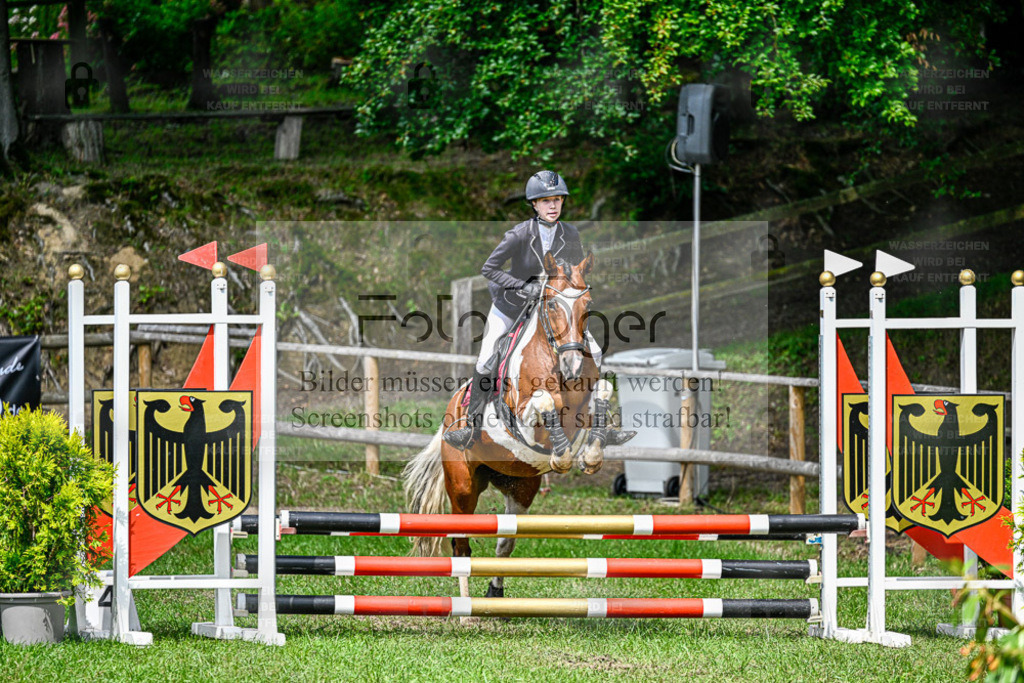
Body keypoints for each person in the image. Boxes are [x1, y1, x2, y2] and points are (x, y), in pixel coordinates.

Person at [444, 170, 608, 450]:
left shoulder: (570, 233)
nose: (553, 206)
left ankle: (601, 423)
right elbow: (489, 269)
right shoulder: (519, 234)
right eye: (546, 201)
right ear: (534, 204)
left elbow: (574, 271)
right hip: (512, 305)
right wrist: (523, 286)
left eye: (557, 200)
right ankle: (470, 427)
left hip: (553, 307)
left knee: (595, 350)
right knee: (486, 358)